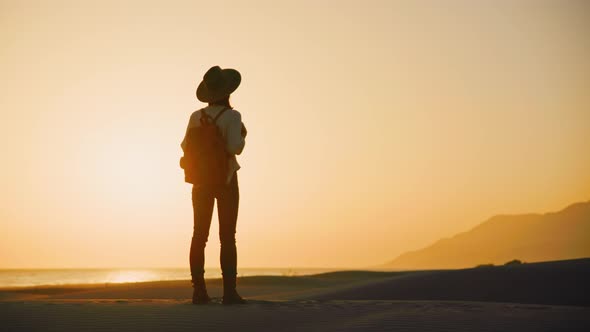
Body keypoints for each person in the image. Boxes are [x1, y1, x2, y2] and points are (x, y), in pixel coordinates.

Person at [180, 66, 247, 305]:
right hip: (226, 180)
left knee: (199, 236)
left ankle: (199, 291)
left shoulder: (196, 116)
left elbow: (185, 146)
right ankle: (230, 292)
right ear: (228, 91)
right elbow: (234, 148)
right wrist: (243, 135)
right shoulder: (233, 116)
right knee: (227, 237)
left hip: (200, 182)